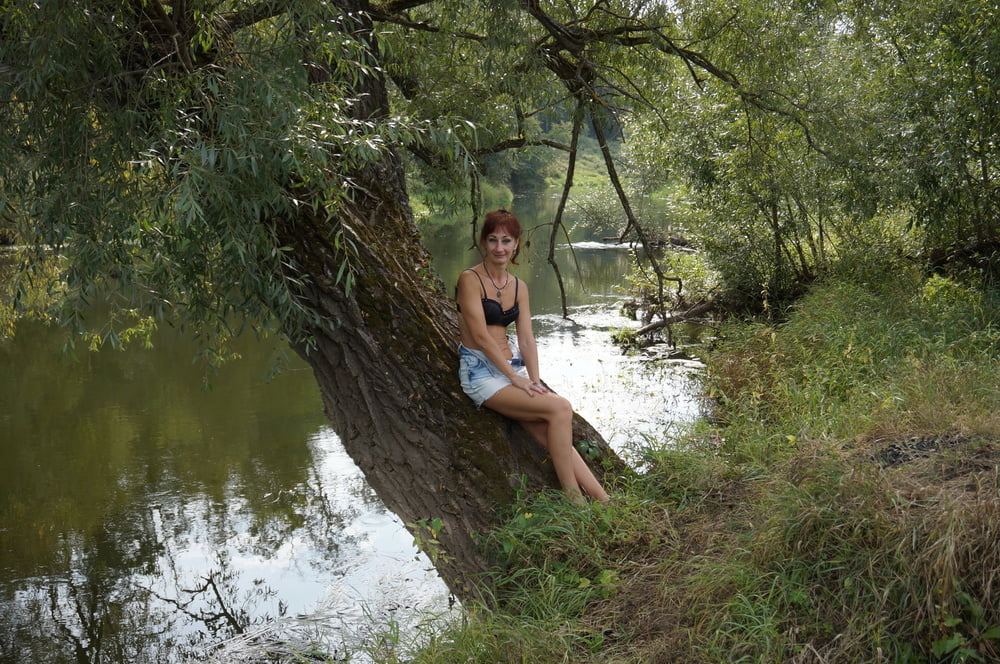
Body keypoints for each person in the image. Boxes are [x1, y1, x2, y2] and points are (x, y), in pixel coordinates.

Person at [456, 208, 610, 503]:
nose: (499, 248)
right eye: (493, 240)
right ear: (483, 243)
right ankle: (574, 501)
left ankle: (603, 501)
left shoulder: (519, 287)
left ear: (517, 244)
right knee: (561, 408)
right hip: (481, 374)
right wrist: (515, 379)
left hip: (512, 369)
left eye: (506, 241)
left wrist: (534, 380)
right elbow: (479, 336)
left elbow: (526, 338)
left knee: (554, 433)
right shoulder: (470, 279)